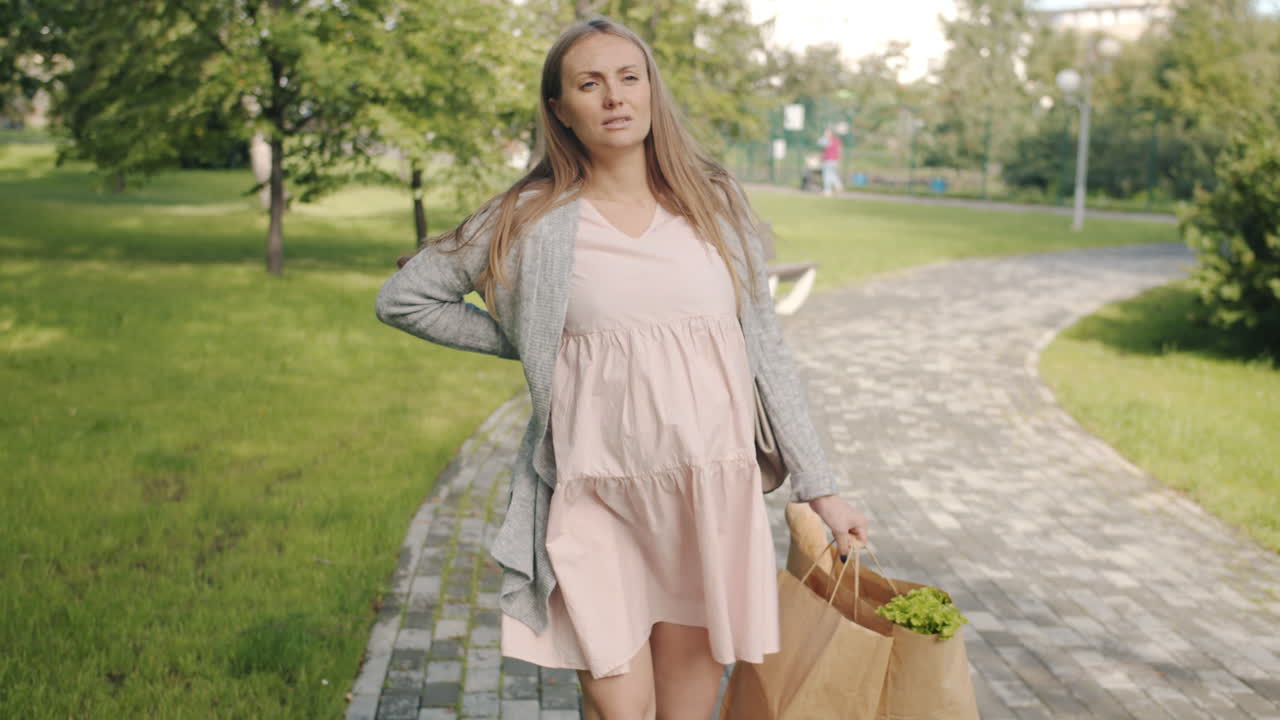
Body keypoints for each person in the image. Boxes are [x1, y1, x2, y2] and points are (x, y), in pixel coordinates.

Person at [375, 17, 869, 720]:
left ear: (650, 92)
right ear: (560, 110)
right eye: (589, 83)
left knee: (689, 712)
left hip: (706, 498)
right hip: (596, 501)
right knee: (620, 706)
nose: (614, 97)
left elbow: (769, 355)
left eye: (628, 78)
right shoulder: (532, 217)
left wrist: (823, 489)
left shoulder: (714, 201)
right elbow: (406, 298)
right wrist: (532, 338)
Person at [820, 127, 843, 197]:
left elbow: (820, 143)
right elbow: (840, 150)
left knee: (827, 175)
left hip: (829, 160)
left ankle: (828, 189)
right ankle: (838, 184)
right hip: (835, 160)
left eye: (826, 132)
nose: (825, 133)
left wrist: (824, 138)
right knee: (832, 174)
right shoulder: (837, 140)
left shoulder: (827, 140)